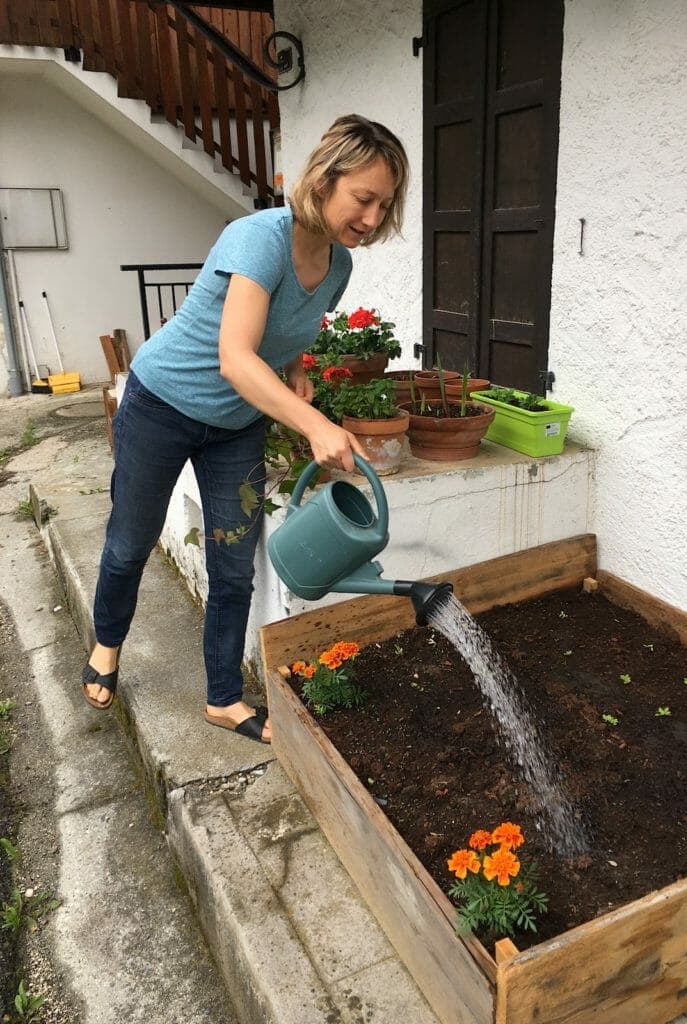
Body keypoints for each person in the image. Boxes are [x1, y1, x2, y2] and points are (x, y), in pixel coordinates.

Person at [81, 114, 409, 744]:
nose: (371, 219)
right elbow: (234, 355)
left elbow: (286, 325)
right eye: (362, 199)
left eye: (383, 205)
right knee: (130, 540)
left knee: (235, 563)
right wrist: (314, 424)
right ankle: (107, 644)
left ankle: (224, 698)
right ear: (323, 181)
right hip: (161, 405)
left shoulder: (338, 267)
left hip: (235, 425)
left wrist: (293, 370)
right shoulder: (258, 238)